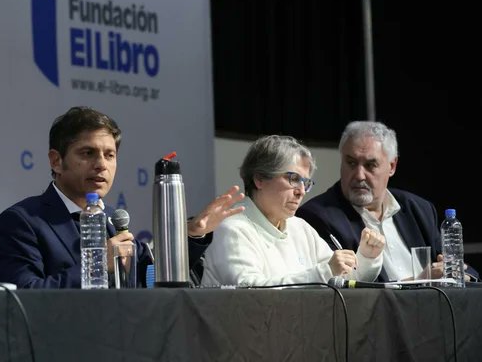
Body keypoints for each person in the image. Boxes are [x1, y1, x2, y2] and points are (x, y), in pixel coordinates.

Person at [0, 106, 246, 289]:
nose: (101, 165)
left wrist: (191, 234)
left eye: (109, 155)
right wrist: (99, 265)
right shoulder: (22, 222)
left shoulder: (112, 219)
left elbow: (151, 277)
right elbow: (23, 296)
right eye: (88, 153)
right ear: (56, 161)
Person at [296, 121, 478, 282]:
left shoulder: (418, 209)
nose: (359, 175)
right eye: (351, 163)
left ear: (392, 166)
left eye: (370, 165)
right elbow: (346, 288)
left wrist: (461, 274)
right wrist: (419, 282)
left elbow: (453, 264)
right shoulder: (317, 217)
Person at [201, 135, 385, 287]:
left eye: (305, 183)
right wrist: (324, 272)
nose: (301, 191)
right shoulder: (232, 228)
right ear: (260, 179)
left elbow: (343, 280)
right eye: (293, 179)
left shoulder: (300, 227)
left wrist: (367, 257)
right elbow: (249, 290)